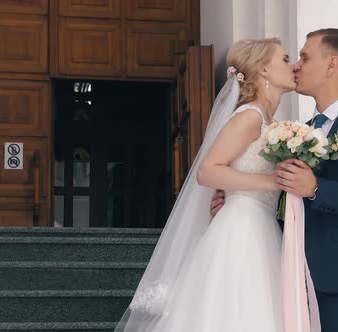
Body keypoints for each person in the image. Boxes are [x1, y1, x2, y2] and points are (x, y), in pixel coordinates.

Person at [212, 28, 338, 332]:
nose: (296, 65)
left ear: (331, 65)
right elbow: (282, 194)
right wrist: (237, 202)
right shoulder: (292, 131)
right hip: (283, 272)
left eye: (304, 57)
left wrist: (316, 189)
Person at [115, 37, 296, 332]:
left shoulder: (272, 121)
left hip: (262, 225)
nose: (293, 66)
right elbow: (208, 171)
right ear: (263, 69)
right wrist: (272, 180)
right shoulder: (250, 116)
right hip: (242, 228)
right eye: (285, 59)